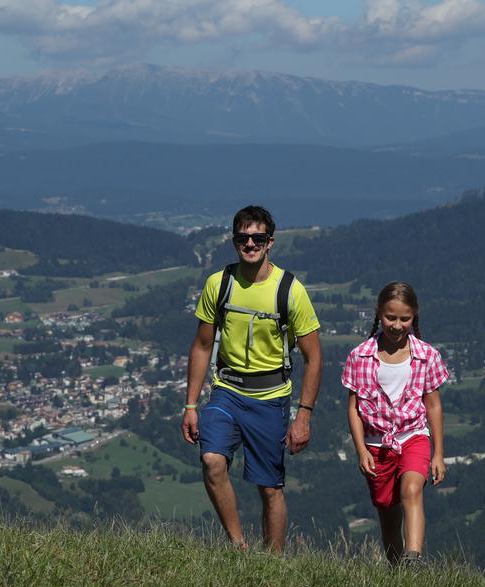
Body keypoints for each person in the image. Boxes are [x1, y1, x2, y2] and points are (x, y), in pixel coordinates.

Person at [182, 205, 322, 553]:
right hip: (226, 391)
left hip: (271, 398)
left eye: (258, 237)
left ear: (270, 242)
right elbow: (202, 345)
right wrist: (190, 405)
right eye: (243, 237)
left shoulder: (290, 290)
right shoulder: (219, 284)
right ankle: (238, 548)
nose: (250, 243)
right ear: (234, 241)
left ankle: (271, 566)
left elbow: (314, 356)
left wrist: (303, 415)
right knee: (212, 461)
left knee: (270, 488)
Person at [342, 282, 448, 566]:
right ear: (379, 314)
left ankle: (413, 559)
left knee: (411, 489)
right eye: (391, 317)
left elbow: (433, 405)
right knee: (388, 515)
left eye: (405, 319)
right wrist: (361, 450)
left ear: (414, 316)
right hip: (377, 444)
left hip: (414, 435)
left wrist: (438, 453)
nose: (397, 326)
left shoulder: (427, 355)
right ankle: (397, 568)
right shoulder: (359, 356)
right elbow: (353, 409)